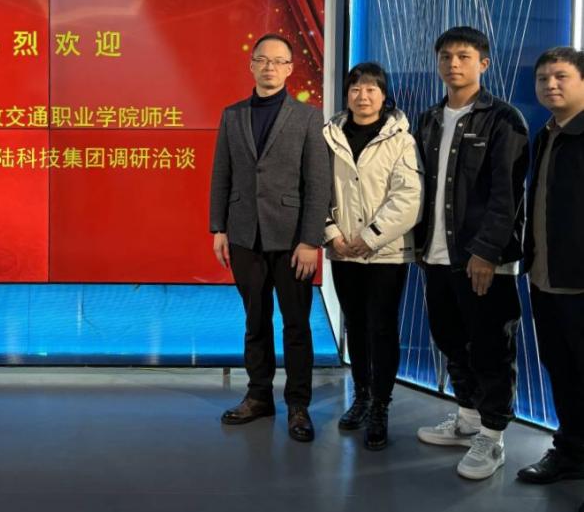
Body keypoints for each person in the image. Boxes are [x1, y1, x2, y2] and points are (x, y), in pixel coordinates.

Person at [414, 26, 529, 480]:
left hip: (483, 260)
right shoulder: (428, 118)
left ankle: (493, 436)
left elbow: (507, 195)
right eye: (445, 56)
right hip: (436, 256)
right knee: (449, 338)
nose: (453, 64)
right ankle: (466, 419)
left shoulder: (503, 119)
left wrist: (486, 252)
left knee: (491, 348)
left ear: (483, 63)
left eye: (463, 56)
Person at [209, 34, 331, 443]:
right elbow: (222, 174)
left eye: (278, 61)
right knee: (254, 321)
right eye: (262, 60)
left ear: (290, 69)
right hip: (245, 235)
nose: (269, 67)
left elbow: (318, 183)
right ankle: (258, 395)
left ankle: (298, 405)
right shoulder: (232, 115)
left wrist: (310, 241)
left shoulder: (308, 117)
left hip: (293, 239)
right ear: (251, 65)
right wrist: (219, 228)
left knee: (296, 325)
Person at [323, 62, 423, 450]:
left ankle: (381, 406)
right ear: (346, 94)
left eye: (371, 89)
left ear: (384, 95)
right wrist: (332, 234)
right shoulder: (328, 136)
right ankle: (361, 397)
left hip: (386, 253)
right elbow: (316, 190)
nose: (362, 96)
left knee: (381, 329)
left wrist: (370, 237)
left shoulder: (401, 139)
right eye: (355, 89)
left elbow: (408, 197)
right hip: (343, 251)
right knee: (356, 326)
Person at [516, 47, 584, 485]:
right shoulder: (545, 134)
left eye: (561, 76)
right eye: (542, 79)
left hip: (580, 283)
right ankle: (572, 452)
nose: (550, 85)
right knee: (561, 370)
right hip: (546, 278)